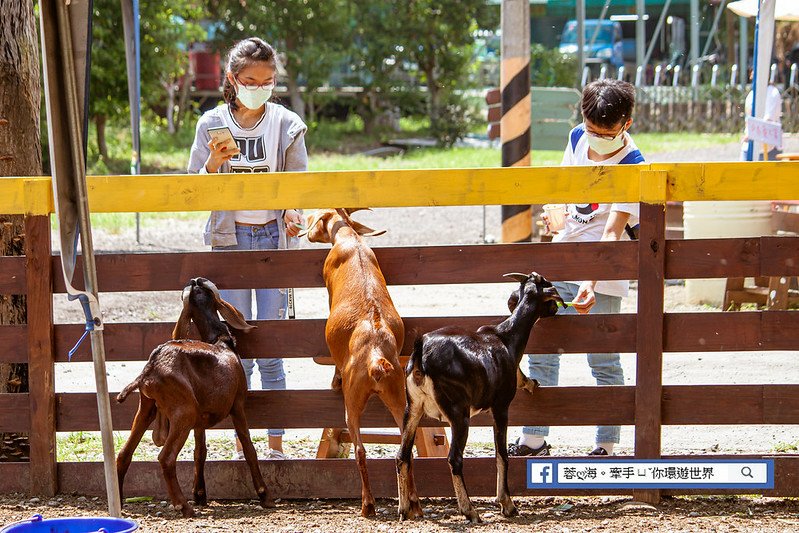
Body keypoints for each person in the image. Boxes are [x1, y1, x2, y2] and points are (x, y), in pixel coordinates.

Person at [508, 79, 644, 457]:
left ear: (626, 125)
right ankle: (533, 438)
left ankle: (606, 443)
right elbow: (565, 191)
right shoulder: (576, 139)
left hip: (603, 272)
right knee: (543, 348)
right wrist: (554, 213)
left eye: (606, 133)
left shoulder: (634, 164)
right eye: (591, 130)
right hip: (563, 259)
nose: (597, 138)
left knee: (602, 357)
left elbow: (614, 232)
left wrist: (591, 279)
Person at [187, 37, 308, 460]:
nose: (260, 87)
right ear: (232, 79)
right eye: (251, 80)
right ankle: (245, 444)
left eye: (268, 80)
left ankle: (275, 445)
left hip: (274, 239)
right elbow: (191, 188)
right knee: (236, 348)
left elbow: (298, 187)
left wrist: (294, 213)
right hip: (229, 239)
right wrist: (212, 165)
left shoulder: (287, 124)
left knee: (273, 346)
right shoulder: (211, 123)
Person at [741, 69, 783, 161]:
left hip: (769, 146)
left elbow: (769, 118)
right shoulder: (751, 94)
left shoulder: (772, 92)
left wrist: (753, 134)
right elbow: (748, 118)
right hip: (750, 146)